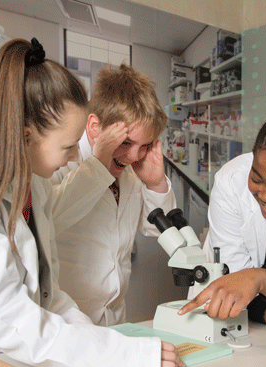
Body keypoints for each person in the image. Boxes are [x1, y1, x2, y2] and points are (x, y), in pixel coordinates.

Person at [0, 38, 183, 367]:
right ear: (24, 136)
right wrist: (126, 357)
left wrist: (117, 347)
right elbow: (13, 321)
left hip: (11, 366)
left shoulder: (32, 185)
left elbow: (50, 296)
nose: (73, 158)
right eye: (68, 146)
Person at [50, 64, 177, 327]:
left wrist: (154, 184)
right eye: (126, 143)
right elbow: (49, 218)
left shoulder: (130, 172)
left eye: (144, 146)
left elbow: (155, 229)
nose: (134, 156)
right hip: (65, 321)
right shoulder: (59, 162)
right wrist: (96, 167)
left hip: (114, 317)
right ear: (95, 126)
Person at [180, 81, 266, 329]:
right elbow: (236, 285)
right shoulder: (232, 182)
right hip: (249, 323)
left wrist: (260, 280)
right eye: (256, 178)